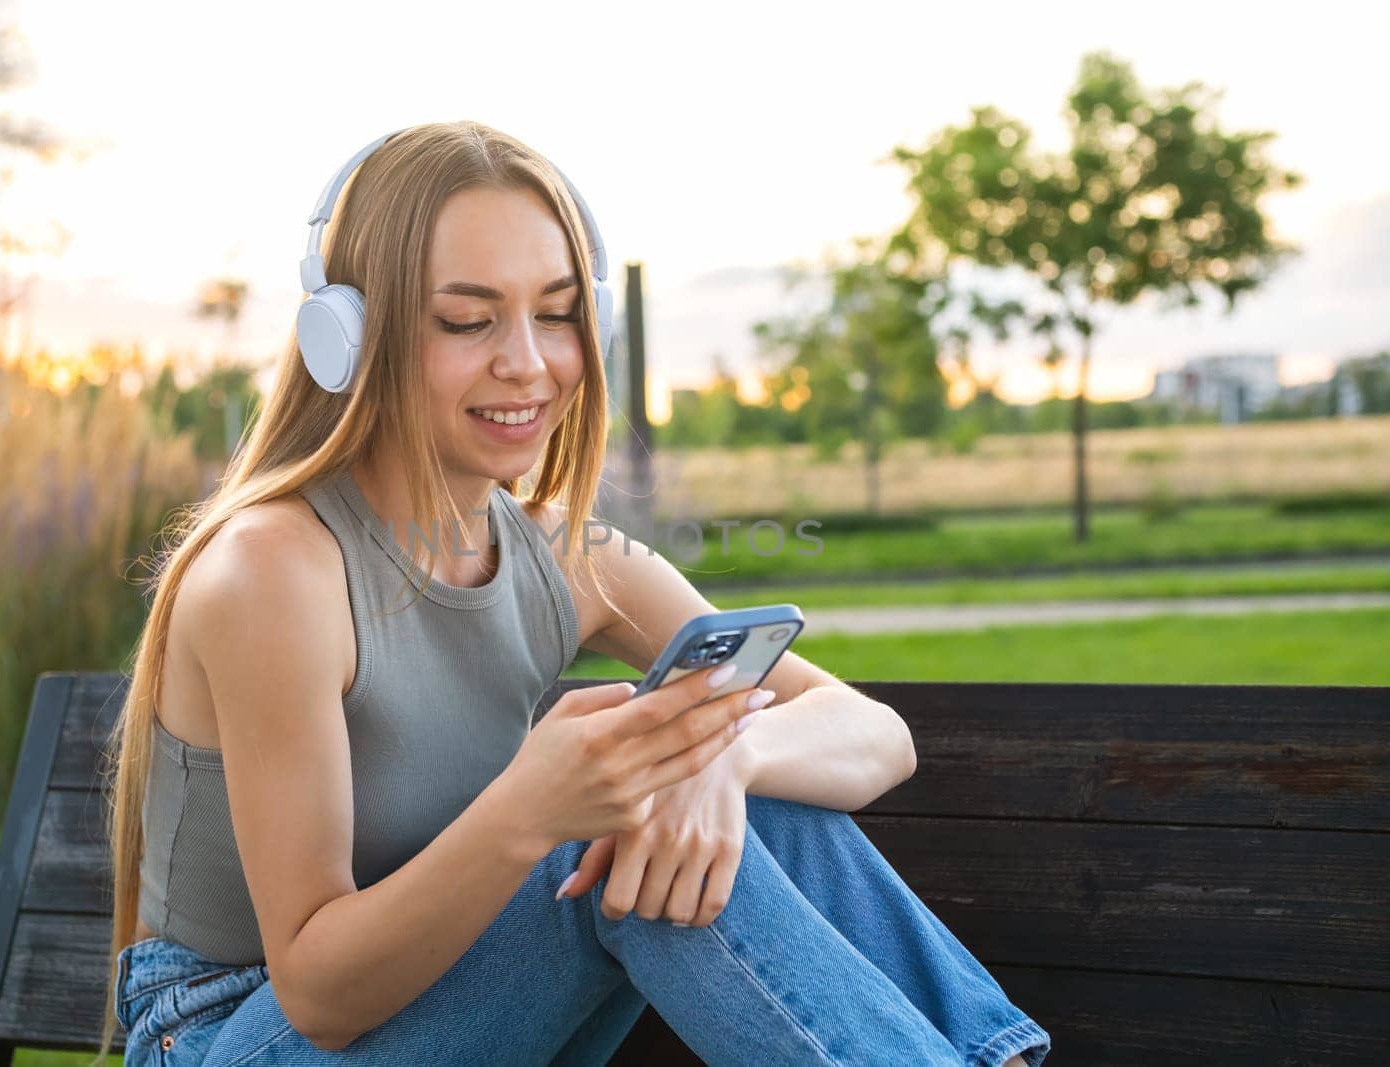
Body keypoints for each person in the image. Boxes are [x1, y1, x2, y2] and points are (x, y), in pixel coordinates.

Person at [95, 120, 1051, 1067]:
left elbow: (874, 733)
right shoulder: (273, 569)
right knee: (609, 819)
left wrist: (717, 760)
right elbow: (318, 993)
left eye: (556, 312)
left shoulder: (568, 553)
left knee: (719, 785)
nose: (529, 360)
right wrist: (532, 811)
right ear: (345, 337)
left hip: (451, 1002)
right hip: (230, 1032)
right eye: (468, 320)